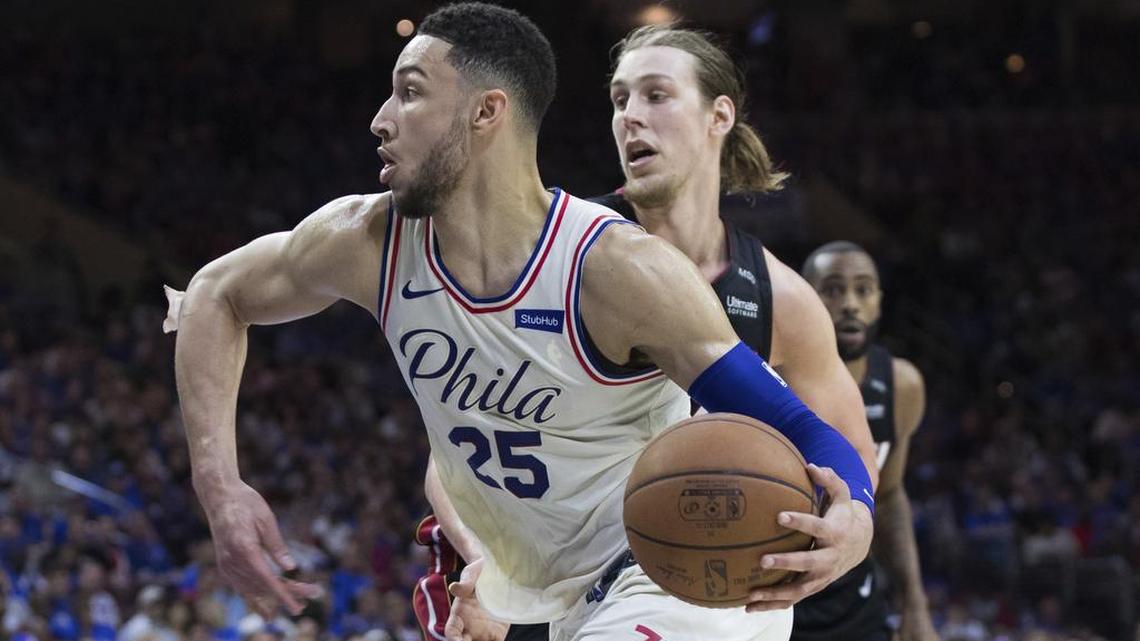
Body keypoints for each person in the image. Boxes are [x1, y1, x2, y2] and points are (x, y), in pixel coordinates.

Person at [167, 5, 875, 641]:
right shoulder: (366, 242)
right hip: (549, 599)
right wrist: (220, 490)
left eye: (410, 92)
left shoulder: (617, 271)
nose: (381, 118)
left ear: (486, 113)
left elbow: (806, 428)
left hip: (676, 577)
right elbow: (212, 295)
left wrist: (858, 514)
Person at [416, 23, 882, 641]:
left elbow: (851, 458)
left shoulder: (781, 299)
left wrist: (851, 530)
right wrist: (484, 566)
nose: (631, 116)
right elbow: (450, 458)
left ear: (719, 116)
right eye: (619, 100)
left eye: (655, 95)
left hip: (689, 582)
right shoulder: (558, 254)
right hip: (536, 579)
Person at [799, 241, 936, 641]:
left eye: (863, 289)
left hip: (857, 603)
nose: (850, 304)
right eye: (833, 288)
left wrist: (915, 604)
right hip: (773, 597)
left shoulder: (902, 384)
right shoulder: (770, 377)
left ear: (879, 301)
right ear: (804, 297)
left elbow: (891, 496)